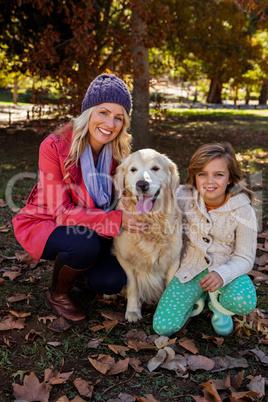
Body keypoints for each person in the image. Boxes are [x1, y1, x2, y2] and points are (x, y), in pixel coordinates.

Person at [12, 74, 148, 323]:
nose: (111, 122)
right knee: (83, 244)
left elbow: (127, 197)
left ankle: (81, 274)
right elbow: (62, 213)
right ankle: (58, 293)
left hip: (98, 225)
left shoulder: (118, 152)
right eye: (104, 112)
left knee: (111, 281)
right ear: (88, 112)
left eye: (119, 117)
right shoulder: (54, 146)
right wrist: (118, 220)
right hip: (48, 222)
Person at [153, 142, 258, 336]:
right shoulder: (181, 196)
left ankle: (219, 306)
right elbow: (153, 198)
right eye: (202, 174)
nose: (210, 181)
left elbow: (245, 258)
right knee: (163, 327)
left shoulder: (244, 210)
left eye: (218, 174)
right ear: (194, 176)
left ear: (230, 178)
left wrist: (222, 274)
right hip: (189, 271)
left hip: (227, 269)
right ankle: (200, 298)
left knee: (243, 302)